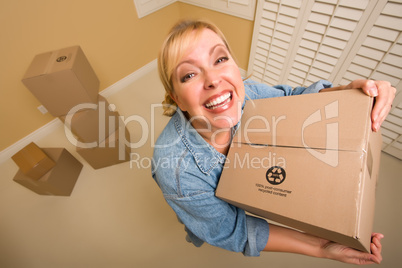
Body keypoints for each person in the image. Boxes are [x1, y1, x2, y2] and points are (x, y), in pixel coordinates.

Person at [151, 19, 395, 264]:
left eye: (220, 59)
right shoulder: (176, 171)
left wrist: (347, 92)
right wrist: (319, 247)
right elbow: (231, 229)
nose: (212, 79)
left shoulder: (251, 94)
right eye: (189, 74)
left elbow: (292, 100)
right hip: (198, 204)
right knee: (203, 225)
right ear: (177, 100)